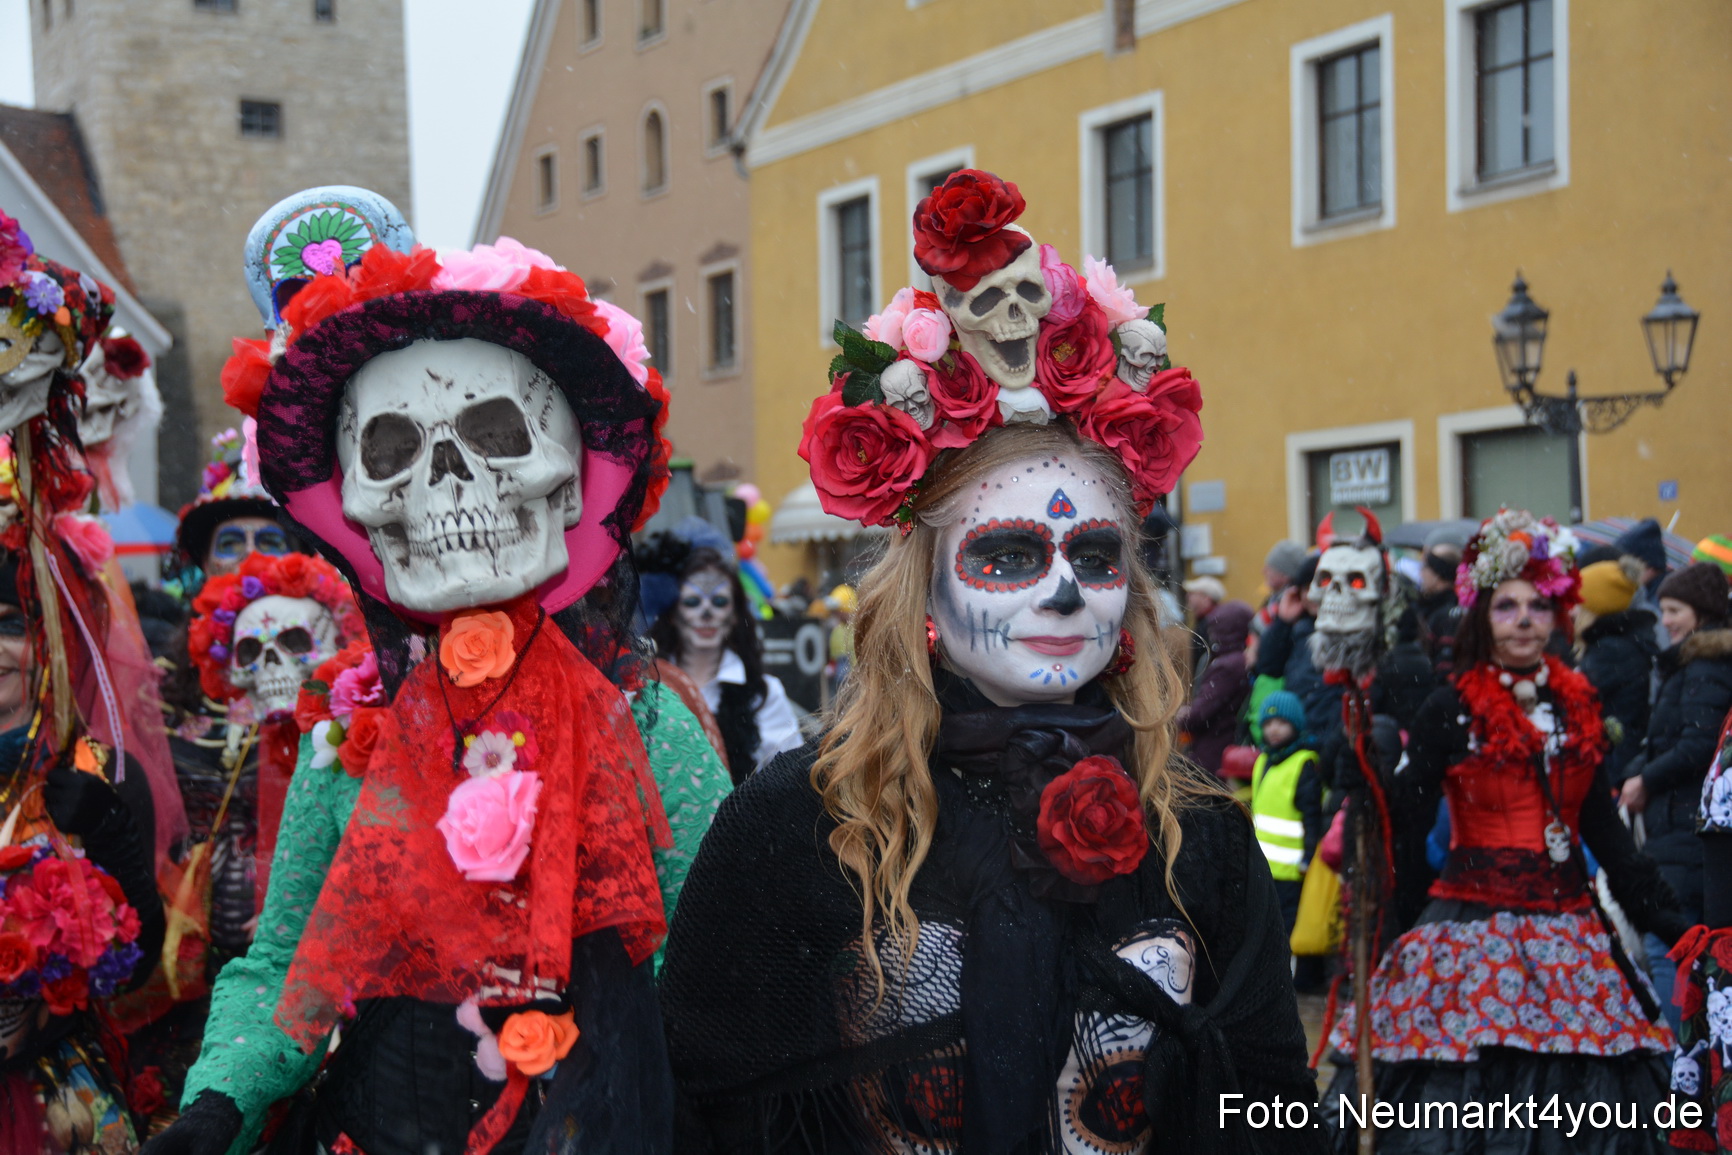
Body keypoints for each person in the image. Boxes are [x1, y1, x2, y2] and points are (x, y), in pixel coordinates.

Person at [660, 169, 1319, 1154]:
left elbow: (1269, 1110)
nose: (1063, 592)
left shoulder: (1200, 839)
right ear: (923, 596)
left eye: (1094, 557)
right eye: (1007, 556)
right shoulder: (796, 827)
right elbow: (706, 1112)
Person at [144, 226, 729, 1155]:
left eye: (497, 437)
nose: (448, 483)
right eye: (393, 451)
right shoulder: (350, 743)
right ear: (362, 507)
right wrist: (221, 1100)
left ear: (568, 487)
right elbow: (287, 966)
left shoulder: (647, 727)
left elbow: (712, 976)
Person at [1326, 509, 1685, 1153]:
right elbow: (1404, 820)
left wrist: (1683, 935)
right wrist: (1365, 773)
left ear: (1557, 617)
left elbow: (1609, 841)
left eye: (1538, 606)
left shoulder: (1578, 707)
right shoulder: (1450, 707)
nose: (1524, 620)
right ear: (1481, 619)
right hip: (1467, 930)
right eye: (1507, 607)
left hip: (1571, 935)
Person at [1618, 560, 1732, 1030]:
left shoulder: (1704, 665)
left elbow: (1698, 743)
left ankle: (1678, 1053)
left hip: (1684, 830)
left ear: (1702, 612)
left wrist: (1645, 780)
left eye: (1674, 610)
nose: (1665, 620)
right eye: (1663, 609)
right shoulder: (1695, 663)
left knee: (1669, 945)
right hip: (1683, 829)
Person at [650, 546, 803, 781]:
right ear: (672, 613)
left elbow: (791, 780)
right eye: (692, 601)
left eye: (719, 601)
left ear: (733, 615)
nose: (706, 613)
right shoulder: (646, 685)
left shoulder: (763, 694)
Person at [1575, 557, 1660, 782]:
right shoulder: (1623, 640)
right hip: (1618, 756)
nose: (1572, 611)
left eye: (1577, 604)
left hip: (1609, 763)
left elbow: (1575, 699)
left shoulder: (1610, 649)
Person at [1249, 690, 1322, 934]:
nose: (1274, 729)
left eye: (1281, 722)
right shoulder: (1263, 760)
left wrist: (1308, 858)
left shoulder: (1303, 762)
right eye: (1268, 723)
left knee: (1283, 929)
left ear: (1295, 725)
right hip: (1262, 867)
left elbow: (1311, 816)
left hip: (1291, 871)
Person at [1176, 598, 1253, 777]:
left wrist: (1182, 715)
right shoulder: (1241, 660)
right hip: (1226, 746)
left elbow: (1200, 713)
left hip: (1213, 751)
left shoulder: (1227, 666)